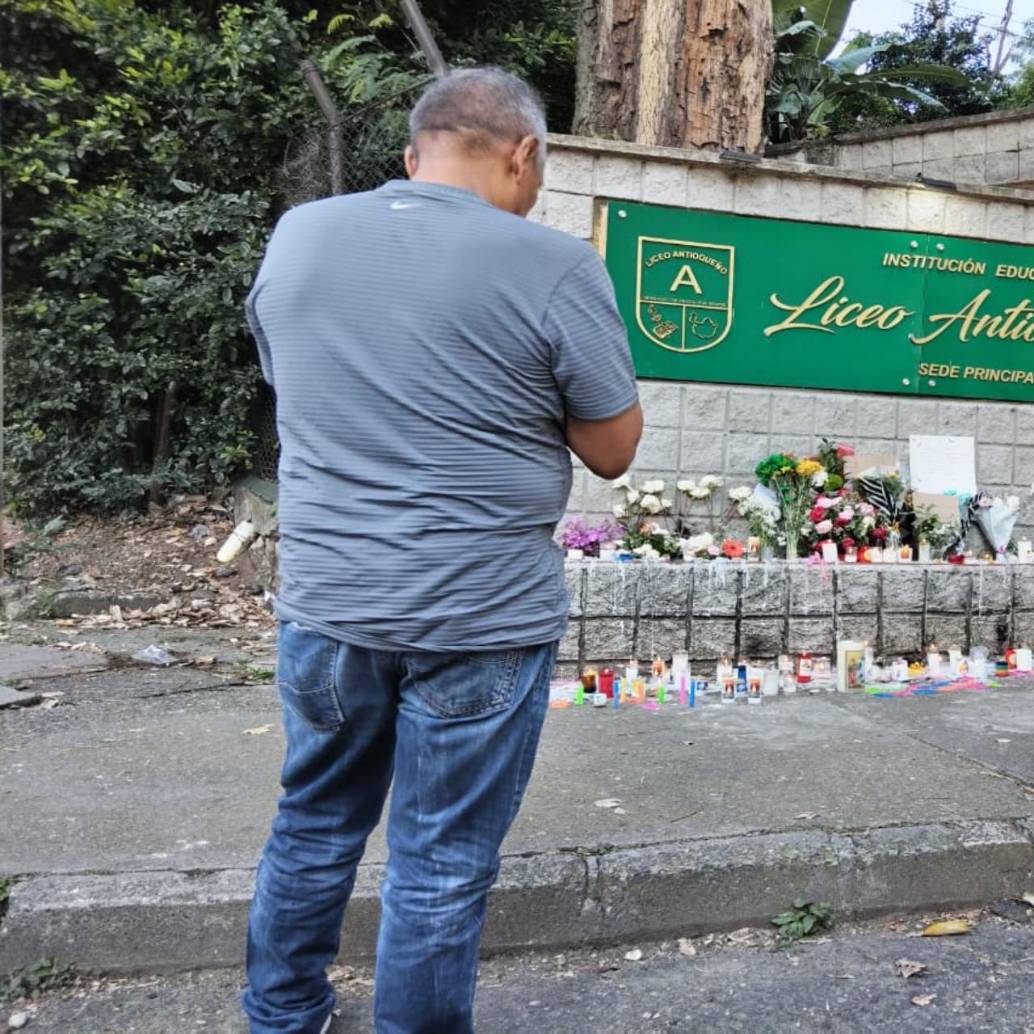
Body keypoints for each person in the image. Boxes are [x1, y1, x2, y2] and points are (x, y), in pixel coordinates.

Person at [242, 66, 642, 1034]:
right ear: (523, 153)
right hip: (480, 616)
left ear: (413, 154)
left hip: (330, 604)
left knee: (313, 819)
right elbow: (611, 448)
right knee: (441, 856)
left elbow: (292, 373)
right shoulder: (554, 266)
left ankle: (281, 1015)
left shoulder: (301, 235)